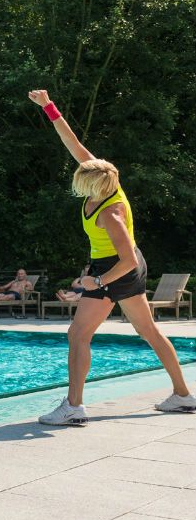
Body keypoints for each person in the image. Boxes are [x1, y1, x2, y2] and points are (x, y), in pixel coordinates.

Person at [29, 88, 196, 424]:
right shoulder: (106, 178)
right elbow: (73, 143)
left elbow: (128, 261)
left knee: (77, 333)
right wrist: (49, 107)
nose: (77, 176)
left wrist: (98, 280)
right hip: (121, 266)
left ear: (90, 182)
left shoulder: (111, 212)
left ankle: (73, 407)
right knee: (148, 331)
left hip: (117, 269)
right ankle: (183, 395)